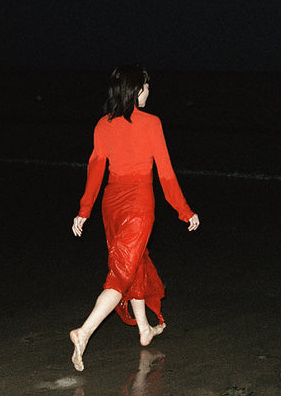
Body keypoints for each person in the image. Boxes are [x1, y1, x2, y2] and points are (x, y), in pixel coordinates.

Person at [70, 65, 199, 371]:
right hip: (139, 205)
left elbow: (95, 171)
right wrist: (184, 210)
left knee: (133, 262)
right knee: (121, 274)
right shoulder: (152, 123)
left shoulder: (102, 124)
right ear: (136, 90)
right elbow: (165, 173)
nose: (149, 91)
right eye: (146, 86)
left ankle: (144, 329)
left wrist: (84, 211)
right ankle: (84, 332)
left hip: (111, 205)